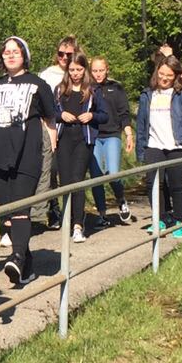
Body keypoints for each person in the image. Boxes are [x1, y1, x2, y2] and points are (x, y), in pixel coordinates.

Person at [0, 37, 58, 285]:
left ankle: (16, 257)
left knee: (21, 208)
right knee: (9, 209)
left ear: (25, 56)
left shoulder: (38, 84)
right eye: (6, 52)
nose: (11, 55)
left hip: (27, 155)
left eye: (16, 52)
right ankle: (26, 265)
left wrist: (52, 142)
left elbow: (50, 117)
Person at [134, 56, 182, 238]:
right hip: (154, 145)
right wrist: (141, 151)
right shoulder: (147, 94)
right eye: (161, 74)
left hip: (178, 145)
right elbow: (141, 124)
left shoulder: (180, 93)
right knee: (154, 184)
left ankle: (180, 220)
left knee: (177, 185)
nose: (164, 78)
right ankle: (161, 218)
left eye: (169, 75)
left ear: (175, 76)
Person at [54, 53, 108, 243]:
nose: (75, 73)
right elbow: (50, 112)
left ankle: (78, 225)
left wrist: (91, 116)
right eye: (72, 70)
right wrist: (61, 116)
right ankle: (67, 219)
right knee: (65, 182)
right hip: (64, 139)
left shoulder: (93, 90)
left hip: (83, 140)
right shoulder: (60, 90)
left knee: (77, 180)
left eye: (79, 69)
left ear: (84, 70)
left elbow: (104, 115)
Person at [34, 37, 79, 228]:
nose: (64, 57)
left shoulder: (79, 72)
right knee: (50, 171)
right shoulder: (47, 75)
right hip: (49, 128)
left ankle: (75, 214)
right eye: (61, 53)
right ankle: (53, 210)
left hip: (73, 131)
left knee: (72, 174)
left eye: (69, 54)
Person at [88, 57, 134, 225]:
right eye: (95, 71)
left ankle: (120, 199)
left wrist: (128, 134)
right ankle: (102, 214)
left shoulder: (116, 88)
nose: (98, 74)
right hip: (94, 136)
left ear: (107, 70)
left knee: (113, 173)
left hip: (112, 134)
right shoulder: (87, 88)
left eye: (101, 70)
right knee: (96, 176)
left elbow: (124, 113)